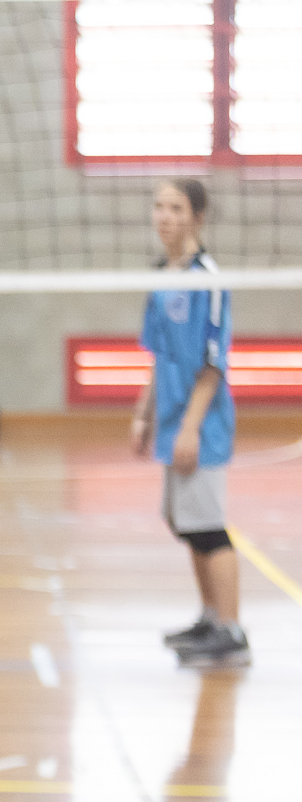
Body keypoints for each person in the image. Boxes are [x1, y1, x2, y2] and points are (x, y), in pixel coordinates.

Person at [136, 179, 247, 668]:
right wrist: (145, 412)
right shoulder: (162, 275)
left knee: (208, 527)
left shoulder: (209, 278)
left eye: (176, 208)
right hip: (170, 418)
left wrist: (189, 429)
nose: (164, 216)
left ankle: (233, 632)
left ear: (197, 217)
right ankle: (209, 618)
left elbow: (213, 364)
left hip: (202, 424)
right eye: (159, 207)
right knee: (184, 523)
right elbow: (159, 355)